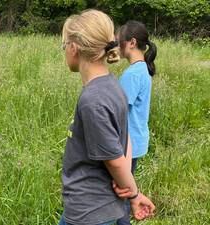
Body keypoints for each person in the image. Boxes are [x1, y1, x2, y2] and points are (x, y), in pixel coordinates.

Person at [58, 10, 155, 225]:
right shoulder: (113, 85)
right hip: (95, 206)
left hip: (88, 210)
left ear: (74, 48)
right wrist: (130, 187)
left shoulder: (93, 100)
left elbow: (115, 160)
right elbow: (125, 137)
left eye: (64, 45)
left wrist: (134, 194)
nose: (65, 51)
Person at [114, 20, 157, 225]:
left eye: (118, 41)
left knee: (121, 191)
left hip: (127, 143)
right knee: (125, 188)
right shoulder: (143, 70)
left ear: (131, 43)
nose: (116, 45)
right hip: (138, 140)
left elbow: (119, 111)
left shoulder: (131, 74)